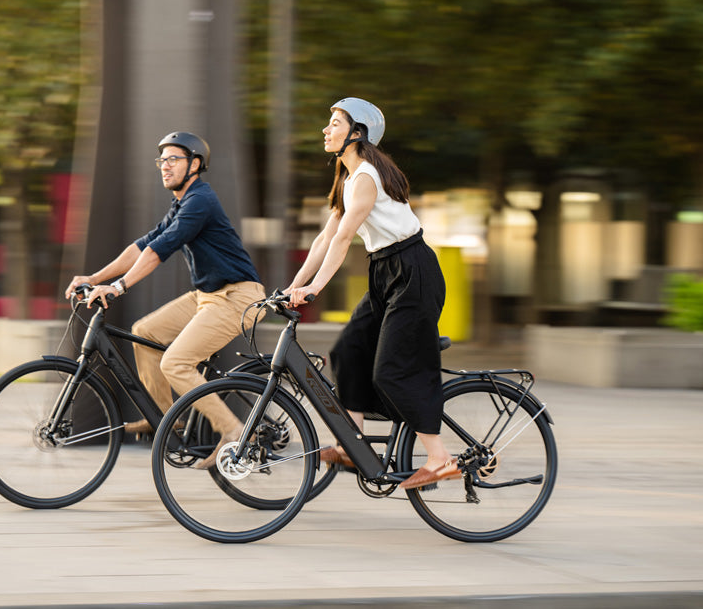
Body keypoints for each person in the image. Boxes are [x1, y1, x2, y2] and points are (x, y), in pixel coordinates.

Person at [64, 131, 265, 469]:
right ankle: (163, 417)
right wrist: (94, 278)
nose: (165, 166)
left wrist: (118, 287)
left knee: (176, 363)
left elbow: (160, 251)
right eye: (162, 160)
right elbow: (142, 246)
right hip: (208, 296)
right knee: (145, 332)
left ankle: (233, 432)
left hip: (238, 298)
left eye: (174, 159)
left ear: (195, 164)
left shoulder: (201, 200)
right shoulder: (183, 202)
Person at [284, 98, 457, 490]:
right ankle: (352, 444)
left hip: (413, 272)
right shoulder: (347, 178)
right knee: (348, 351)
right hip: (385, 272)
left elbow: (345, 239)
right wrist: (295, 285)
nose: (325, 130)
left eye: (334, 123)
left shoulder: (364, 176)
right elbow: (326, 236)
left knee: (391, 371)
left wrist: (315, 289)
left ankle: (440, 457)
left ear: (356, 133)